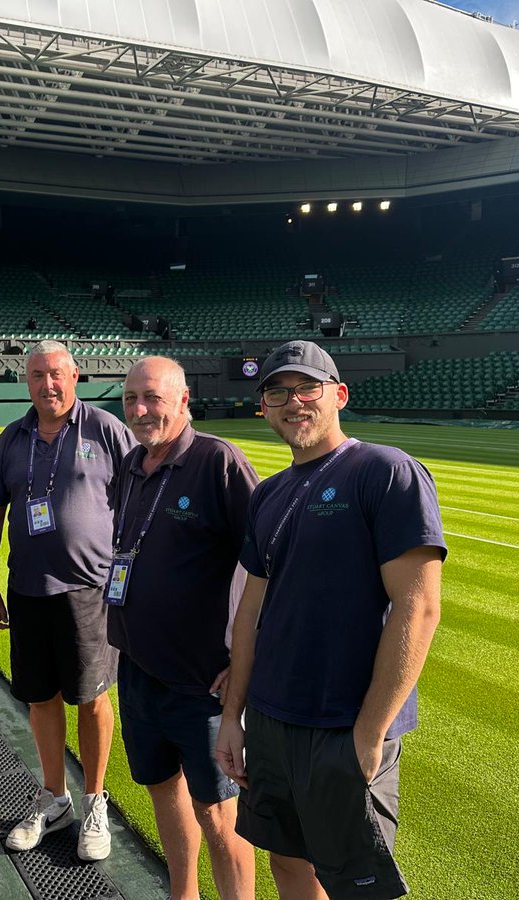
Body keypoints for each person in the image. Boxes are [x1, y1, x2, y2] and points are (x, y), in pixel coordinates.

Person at [215, 341, 445, 900]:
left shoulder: (385, 471)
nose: (293, 402)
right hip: (272, 720)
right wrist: (232, 716)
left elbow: (419, 609)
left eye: (306, 388)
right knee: (288, 864)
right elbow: (249, 616)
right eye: (277, 391)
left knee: (357, 884)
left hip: (343, 722)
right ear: (263, 407)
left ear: (338, 394)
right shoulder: (268, 494)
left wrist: (369, 732)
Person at [0, 340, 136, 860]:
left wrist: (130, 576)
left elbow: (140, 499)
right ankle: (54, 797)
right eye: (39, 375)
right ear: (28, 382)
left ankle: (93, 802)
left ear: (75, 377)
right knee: (40, 698)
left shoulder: (107, 430)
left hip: (89, 591)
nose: (49, 384)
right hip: (27, 590)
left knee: (90, 699)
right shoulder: (13, 439)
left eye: (58, 374)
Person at [108, 356, 257, 900]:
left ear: (183, 400)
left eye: (152, 398)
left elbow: (269, 567)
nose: (141, 410)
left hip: (201, 684)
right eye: (131, 399)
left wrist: (246, 659)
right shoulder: (131, 466)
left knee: (217, 812)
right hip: (138, 669)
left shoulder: (218, 462)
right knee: (161, 787)